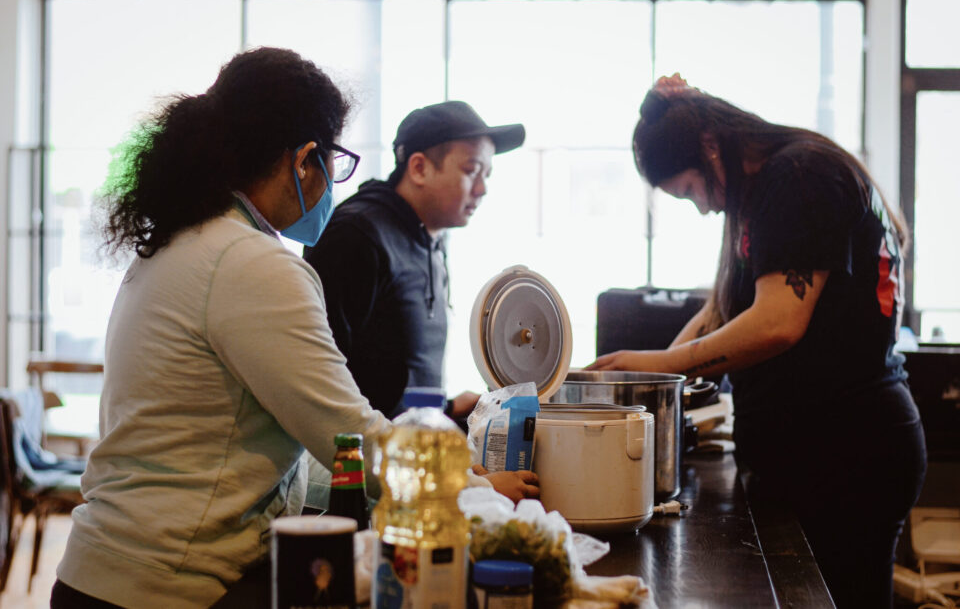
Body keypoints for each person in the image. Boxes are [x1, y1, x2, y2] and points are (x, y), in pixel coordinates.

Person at [52, 48, 537, 609]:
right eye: (335, 160)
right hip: (169, 582)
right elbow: (346, 433)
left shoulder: (181, 243)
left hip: (106, 572)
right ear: (305, 158)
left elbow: (278, 442)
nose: (335, 181)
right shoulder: (252, 263)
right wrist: (475, 490)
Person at [587, 74, 927, 608]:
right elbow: (723, 310)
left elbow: (777, 323)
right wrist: (647, 378)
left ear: (709, 148)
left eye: (692, 190)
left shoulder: (798, 176)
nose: (701, 207)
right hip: (822, 450)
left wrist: (662, 364)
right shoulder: (767, 187)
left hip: (850, 453)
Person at [302, 101, 525, 419]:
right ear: (419, 167)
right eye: (471, 170)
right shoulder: (356, 235)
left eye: (486, 174)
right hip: (361, 458)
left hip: (414, 448)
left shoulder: (431, 237)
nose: (482, 189)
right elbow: (317, 377)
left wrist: (446, 410)